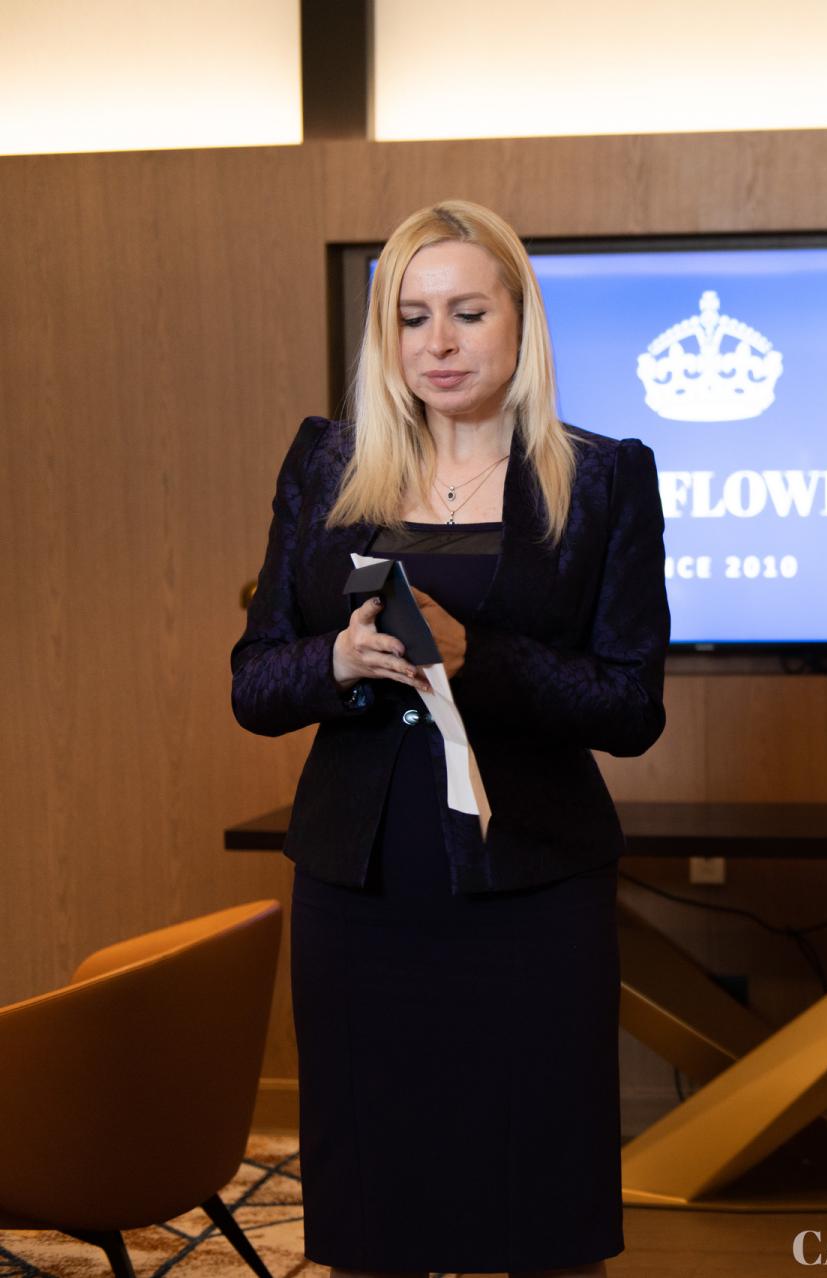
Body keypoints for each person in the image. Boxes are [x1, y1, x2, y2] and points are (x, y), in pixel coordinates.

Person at [232, 199, 668, 1275]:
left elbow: (632, 706)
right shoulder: (326, 466)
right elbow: (255, 681)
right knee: (373, 1211)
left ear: (520, 320)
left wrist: (485, 658)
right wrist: (336, 662)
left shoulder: (603, 478)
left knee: (542, 1211)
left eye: (468, 313)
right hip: (361, 889)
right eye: (412, 316)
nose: (438, 342)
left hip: (532, 890)